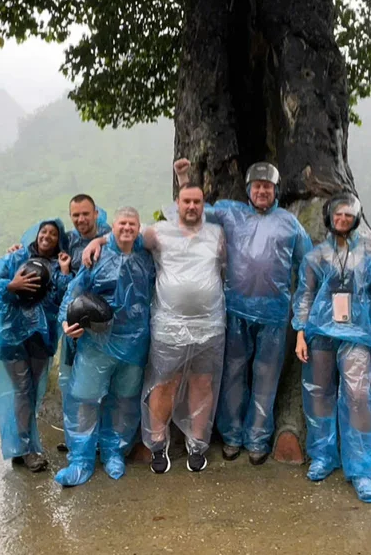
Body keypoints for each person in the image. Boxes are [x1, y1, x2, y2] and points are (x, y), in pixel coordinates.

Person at [82, 178, 226, 473]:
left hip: (209, 325)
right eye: (186, 201)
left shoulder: (216, 234)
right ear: (177, 205)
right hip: (169, 325)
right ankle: (158, 445)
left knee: (203, 383)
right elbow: (124, 234)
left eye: (197, 202)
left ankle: (197, 444)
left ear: (203, 205)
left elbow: (223, 267)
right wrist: (96, 241)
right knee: (165, 384)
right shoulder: (159, 232)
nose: (191, 206)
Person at [173, 157, 310, 464]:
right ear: (248, 189)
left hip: (275, 315)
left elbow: (308, 265)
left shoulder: (289, 223)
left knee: (266, 377)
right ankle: (233, 436)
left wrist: (302, 307)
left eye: (268, 187)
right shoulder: (231, 213)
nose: (262, 192)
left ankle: (258, 439)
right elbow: (194, 212)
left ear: (276, 190)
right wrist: (184, 179)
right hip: (235, 310)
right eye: (257, 186)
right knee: (234, 375)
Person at [293, 193, 371, 504]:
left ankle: (361, 469)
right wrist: (300, 333)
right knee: (318, 392)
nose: (343, 219)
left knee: (358, 395)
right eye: (338, 214)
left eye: (349, 214)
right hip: (320, 331)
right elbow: (304, 296)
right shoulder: (316, 256)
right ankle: (323, 455)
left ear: (356, 218)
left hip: (357, 333)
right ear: (329, 217)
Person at [55, 207, 157, 487]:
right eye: (122, 223)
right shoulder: (96, 257)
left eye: (132, 224)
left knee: (124, 401)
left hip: (134, 344)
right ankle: (80, 460)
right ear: (112, 226)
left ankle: (115, 451)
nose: (127, 228)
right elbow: (73, 293)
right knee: (85, 399)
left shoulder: (148, 257)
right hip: (96, 344)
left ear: (139, 227)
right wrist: (67, 323)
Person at [0, 218, 72, 472]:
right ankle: (28, 448)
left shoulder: (59, 264)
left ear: (59, 240)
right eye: (44, 231)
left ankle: (22, 445)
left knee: (33, 392)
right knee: (22, 390)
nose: (47, 236)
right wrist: (13, 285)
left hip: (42, 337)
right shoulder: (15, 258)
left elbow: (64, 297)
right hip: (13, 335)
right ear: (37, 234)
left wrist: (64, 272)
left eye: (53, 234)